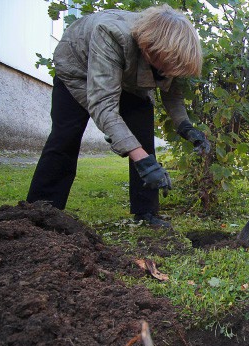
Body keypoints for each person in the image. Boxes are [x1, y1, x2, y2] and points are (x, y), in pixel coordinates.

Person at [26, 4, 210, 227]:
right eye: (167, 67)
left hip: (129, 81)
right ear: (151, 50)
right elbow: (103, 105)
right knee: (65, 136)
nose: (169, 72)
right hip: (77, 70)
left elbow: (172, 91)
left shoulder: (169, 52)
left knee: (142, 137)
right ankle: (41, 210)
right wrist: (142, 160)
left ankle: (146, 213)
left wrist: (186, 128)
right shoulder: (112, 34)